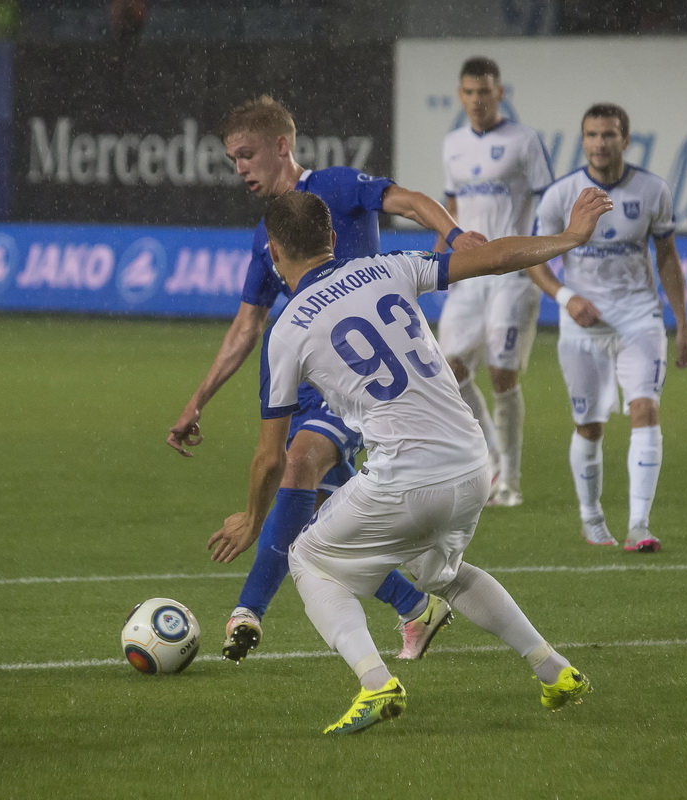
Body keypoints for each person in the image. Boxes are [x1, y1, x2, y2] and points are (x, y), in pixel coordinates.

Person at [208, 186, 612, 733]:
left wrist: (254, 520)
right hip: (473, 464)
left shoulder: (289, 329)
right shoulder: (388, 267)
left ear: (274, 254)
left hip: (407, 475)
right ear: (331, 239)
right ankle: (554, 670)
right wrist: (569, 237)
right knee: (435, 570)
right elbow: (493, 257)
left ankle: (376, 684)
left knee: (309, 558)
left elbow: (269, 457)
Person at [167, 96, 487, 663]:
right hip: (307, 383)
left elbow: (409, 200)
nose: (239, 167)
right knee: (316, 514)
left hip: (360, 383)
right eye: (231, 159)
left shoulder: (337, 187)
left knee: (296, 464)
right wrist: (198, 400)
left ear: (281, 147)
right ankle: (415, 605)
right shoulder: (268, 236)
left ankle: (247, 612)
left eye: (247, 154)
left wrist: (455, 234)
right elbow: (247, 325)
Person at [528, 103, 687, 551]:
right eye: (591, 135)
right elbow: (535, 261)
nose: (599, 143)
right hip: (583, 326)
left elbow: (666, 257)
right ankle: (591, 518)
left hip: (639, 318)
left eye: (608, 135)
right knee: (590, 425)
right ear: (582, 140)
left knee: (645, 409)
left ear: (625, 138)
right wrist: (567, 297)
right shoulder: (561, 195)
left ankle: (639, 524)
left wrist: (682, 324)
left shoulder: (652, 190)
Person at [433, 56, 555, 507]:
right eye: (469, 92)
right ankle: (490, 464)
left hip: (512, 275)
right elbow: (449, 210)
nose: (477, 100)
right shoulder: (453, 145)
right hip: (468, 276)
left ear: (500, 93)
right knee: (450, 372)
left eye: (485, 91)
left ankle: (512, 480)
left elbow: (549, 204)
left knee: (503, 373)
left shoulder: (524, 141)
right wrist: (436, 261)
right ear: (460, 96)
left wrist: (543, 254)